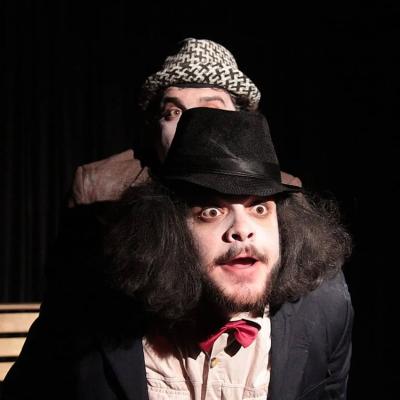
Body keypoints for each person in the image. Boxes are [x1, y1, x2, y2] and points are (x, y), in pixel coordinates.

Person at [3, 108, 353, 399]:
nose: (242, 229)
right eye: (211, 211)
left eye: (259, 208)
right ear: (169, 230)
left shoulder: (326, 309)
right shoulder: (88, 308)